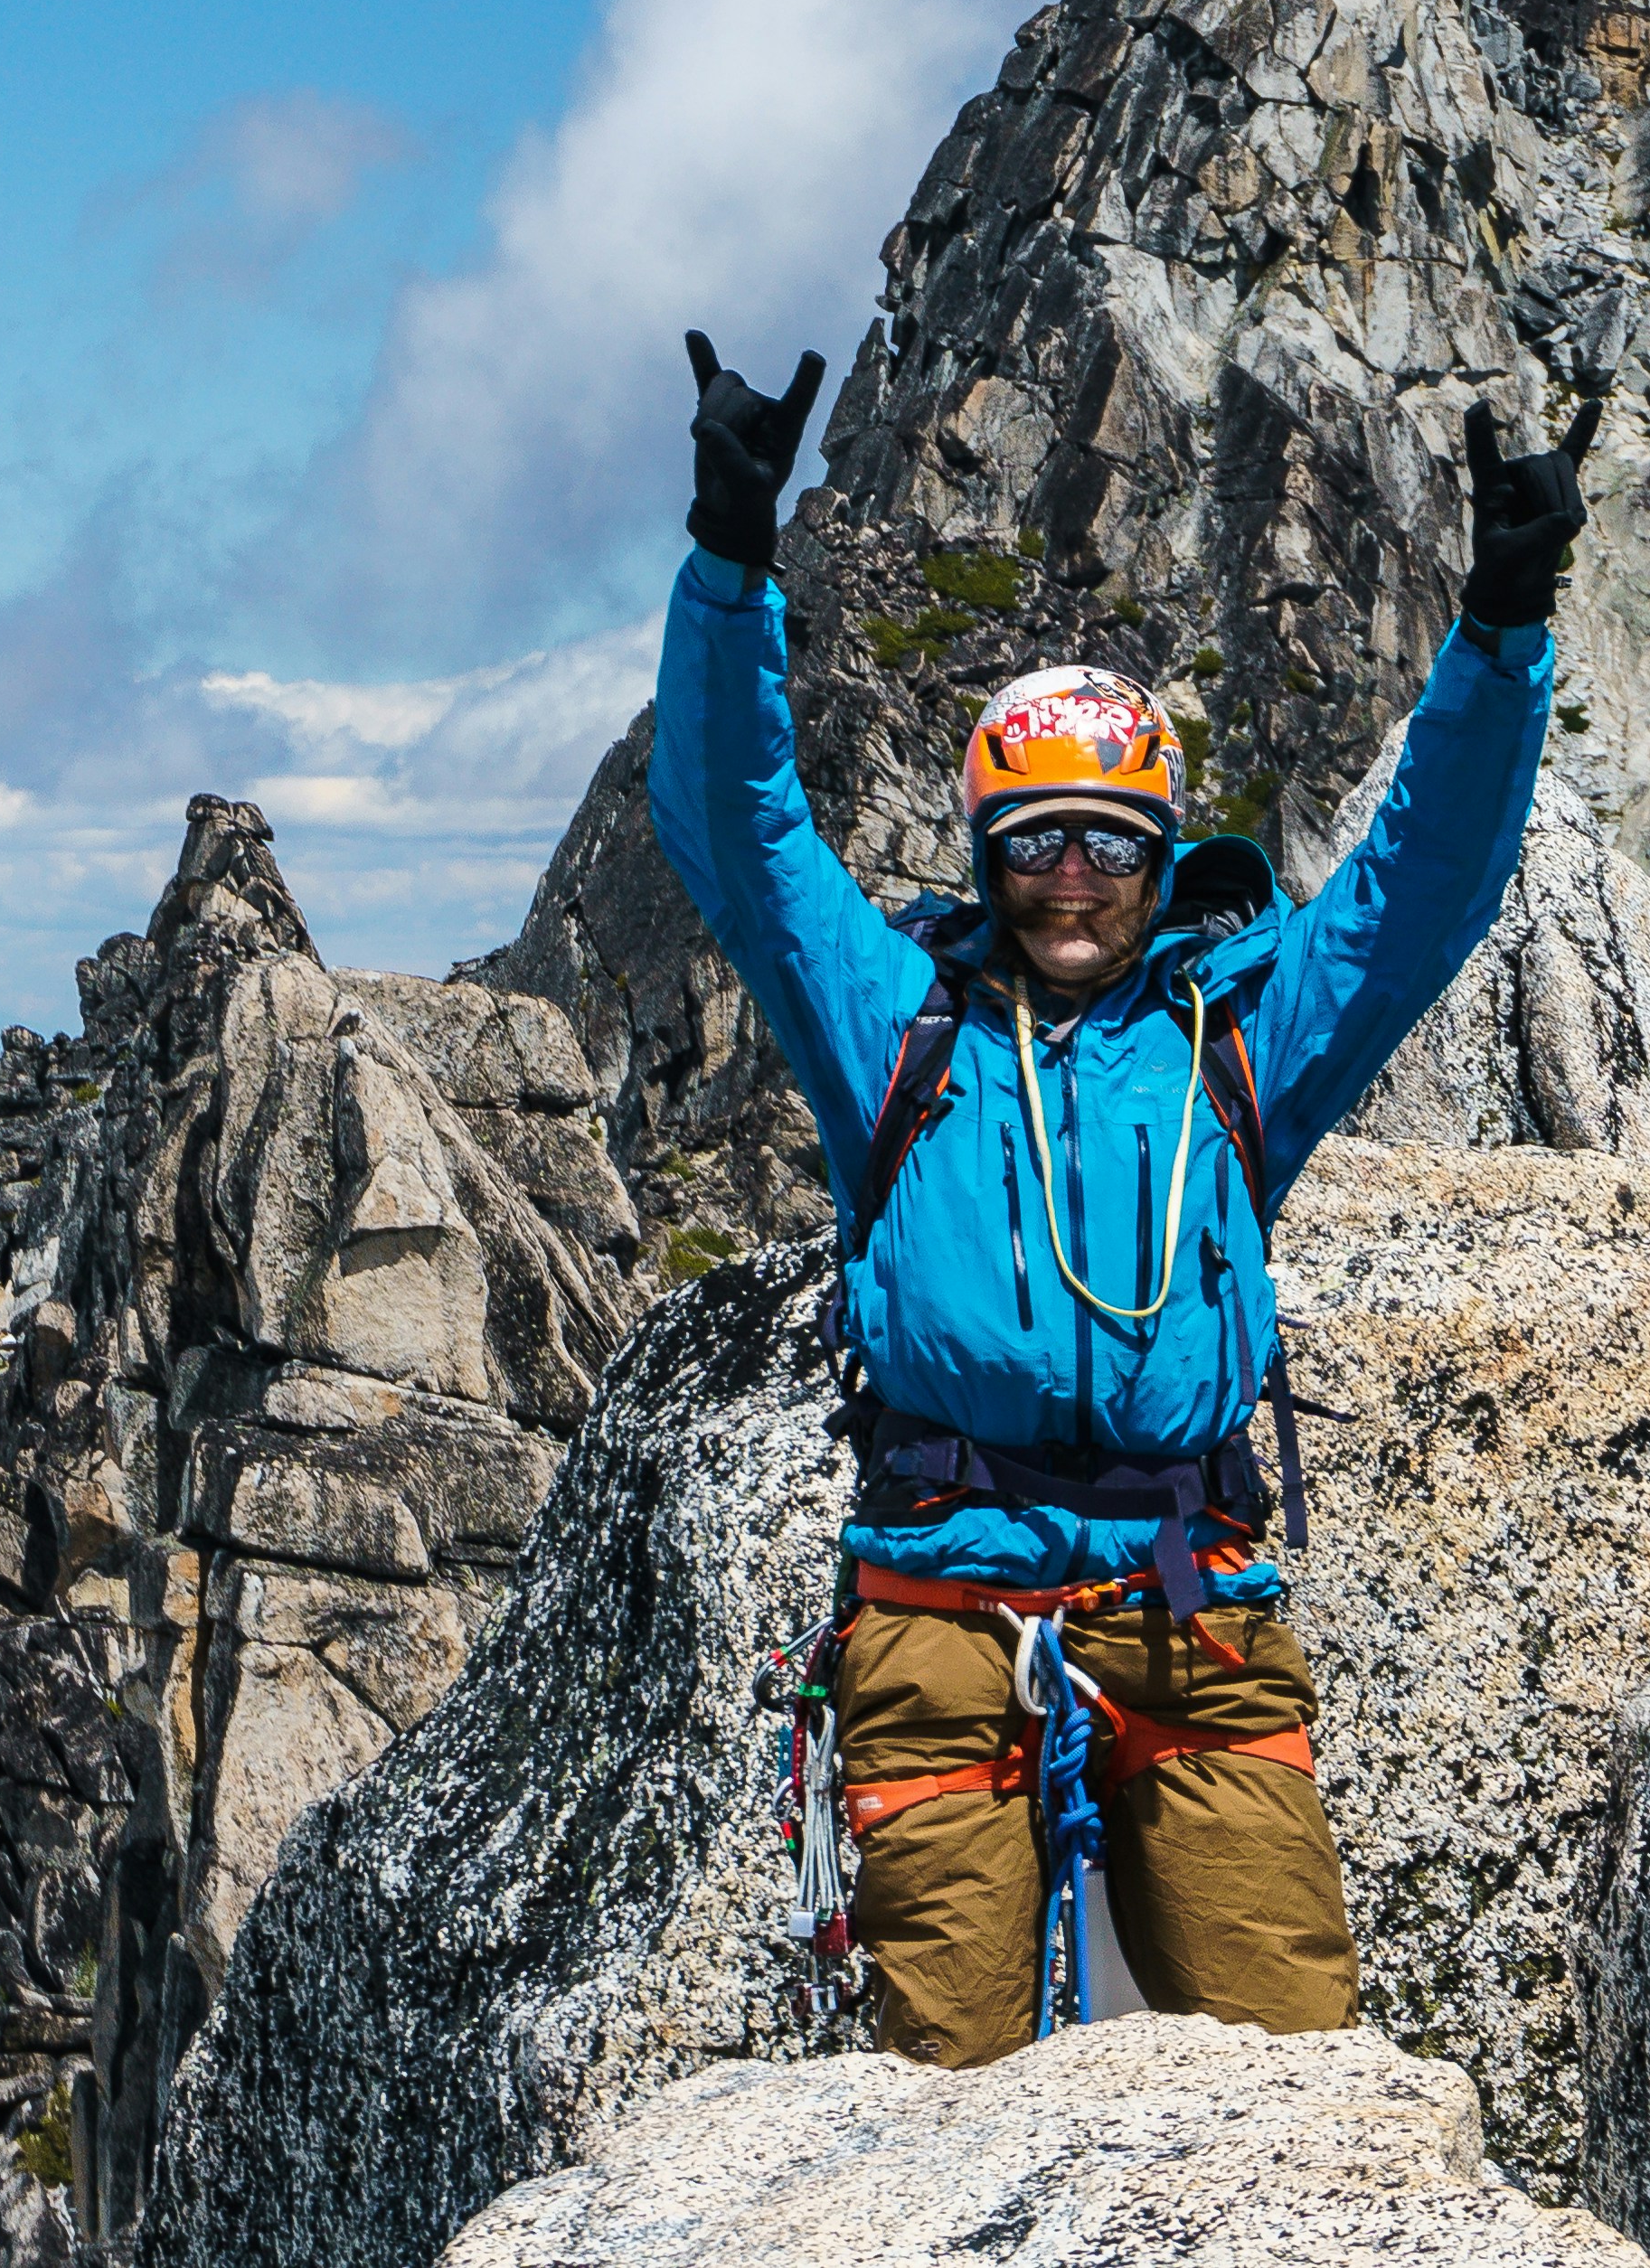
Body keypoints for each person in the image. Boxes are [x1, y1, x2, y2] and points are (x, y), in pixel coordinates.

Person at [647, 332, 1595, 2066]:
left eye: (1109, 842)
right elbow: (744, 837)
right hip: (941, 1612)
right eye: (1033, 843)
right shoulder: (896, 1026)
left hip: (1190, 1612)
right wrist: (729, 563)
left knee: (1295, 2085)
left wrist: (1503, 625)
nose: (1071, 880)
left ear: (1162, 856)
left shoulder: (1240, 1036)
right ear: (985, 854)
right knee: (946, 2098)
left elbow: (1420, 887)